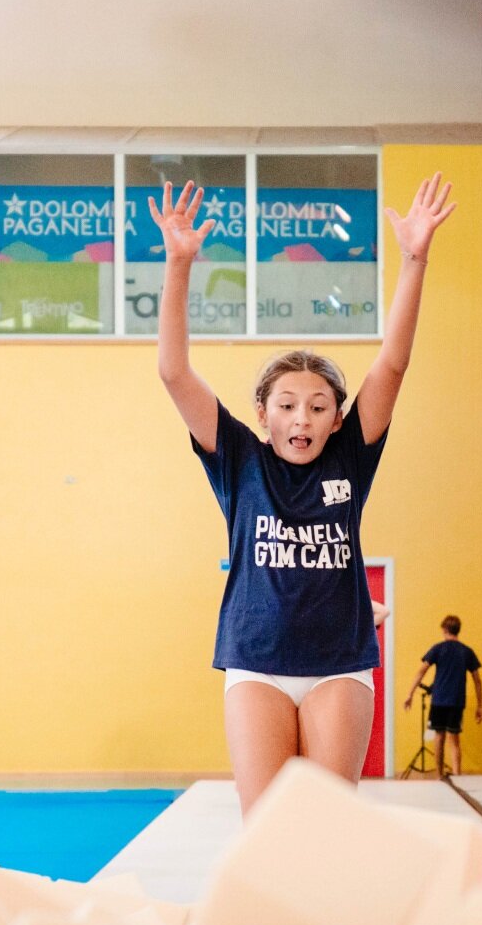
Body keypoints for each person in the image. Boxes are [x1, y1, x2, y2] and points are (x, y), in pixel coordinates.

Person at [155, 173, 457, 816]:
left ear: (338, 418)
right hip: (256, 663)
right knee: (263, 826)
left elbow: (393, 365)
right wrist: (179, 265)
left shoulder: (351, 452)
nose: (302, 419)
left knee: (324, 825)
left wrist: (414, 258)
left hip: (337, 665)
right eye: (287, 405)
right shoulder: (237, 458)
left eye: (318, 407)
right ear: (262, 413)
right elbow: (174, 372)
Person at [403, 615, 482, 777]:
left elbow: (421, 671)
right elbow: (477, 681)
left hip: (439, 699)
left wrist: (409, 693)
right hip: (457, 700)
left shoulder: (438, 649)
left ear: (444, 630)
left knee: (439, 737)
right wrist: (480, 705)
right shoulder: (466, 651)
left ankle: (440, 776)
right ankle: (457, 775)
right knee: (454, 739)